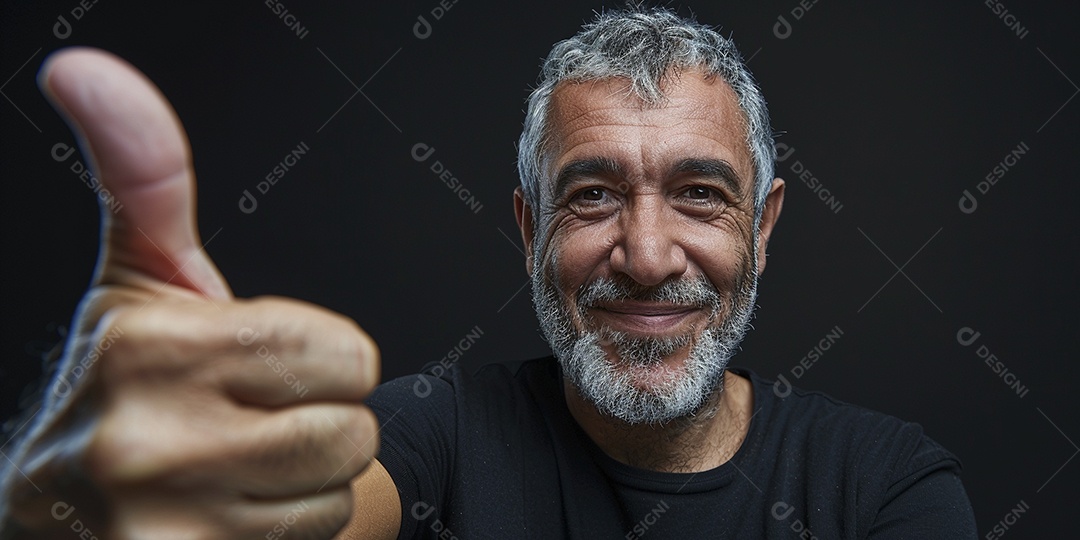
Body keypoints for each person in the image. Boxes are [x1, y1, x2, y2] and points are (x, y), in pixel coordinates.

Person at [0, 7, 976, 539]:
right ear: (528, 226)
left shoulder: (887, 487)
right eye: (591, 195)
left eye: (699, 196)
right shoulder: (432, 438)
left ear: (761, 227)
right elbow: (314, 512)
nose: (644, 256)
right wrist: (74, 516)